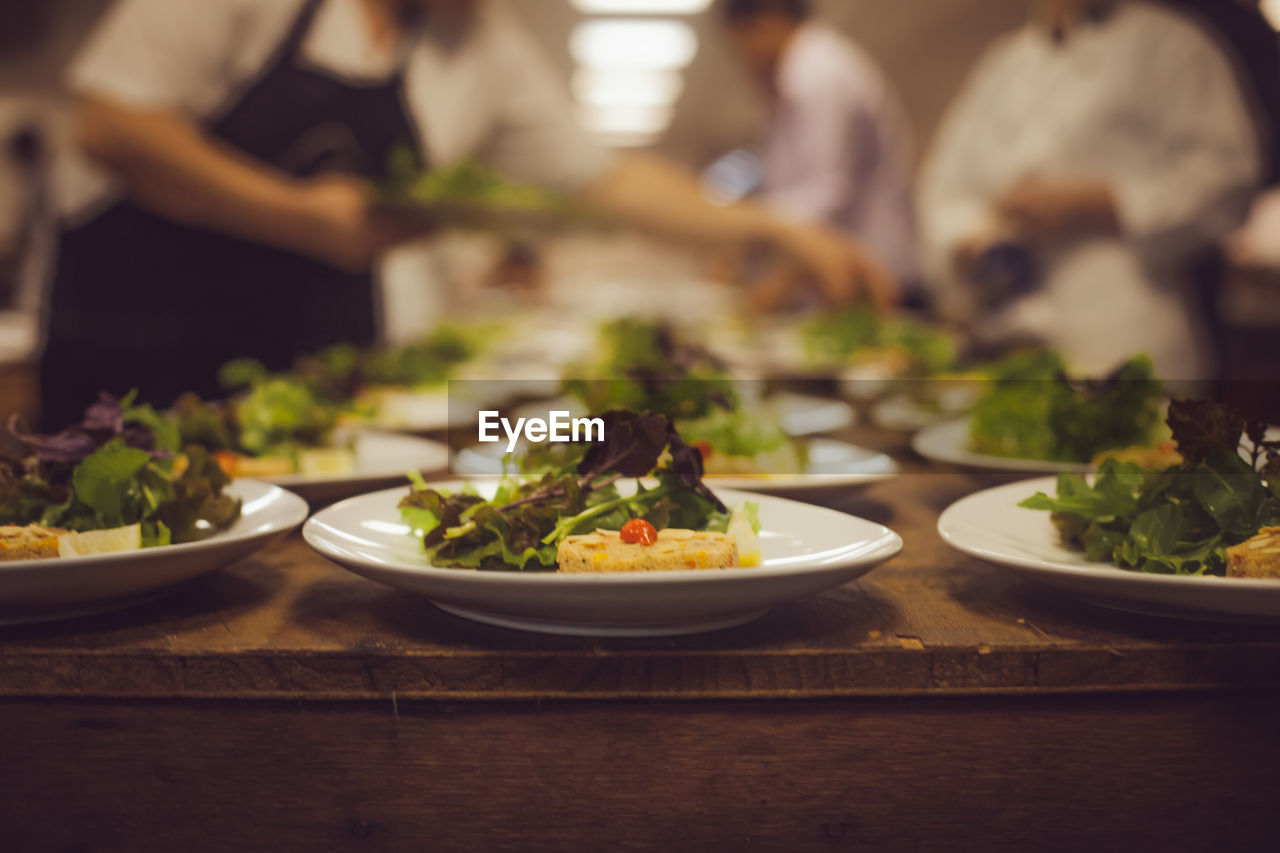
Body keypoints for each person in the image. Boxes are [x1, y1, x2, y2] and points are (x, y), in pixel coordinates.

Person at [40, 0, 894, 427]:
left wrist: (774, 227)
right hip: (138, 358)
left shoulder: (476, 43)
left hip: (304, 387)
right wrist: (296, 216)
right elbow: (115, 125)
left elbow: (606, 181)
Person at [918, 0, 1264, 380]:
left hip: (1126, 333)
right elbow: (945, 184)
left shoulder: (1171, 44)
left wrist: (1100, 202)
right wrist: (973, 238)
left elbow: (1227, 175)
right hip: (1011, 340)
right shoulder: (1006, 61)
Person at [720, 0, 919, 292]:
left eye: (742, 41)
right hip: (849, 273)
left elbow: (826, 191)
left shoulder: (819, 74)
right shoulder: (796, 80)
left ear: (769, 20)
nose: (745, 59)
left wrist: (749, 235)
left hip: (877, 274)